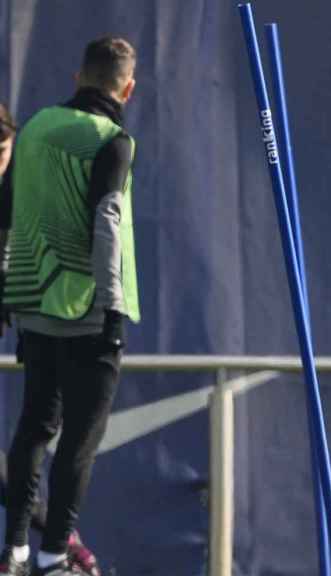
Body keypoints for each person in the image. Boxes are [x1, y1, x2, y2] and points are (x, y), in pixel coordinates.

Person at [0, 36, 140, 576]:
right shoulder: (113, 139)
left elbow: (4, 215)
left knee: (33, 427)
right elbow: (107, 220)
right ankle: (55, 553)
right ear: (128, 87)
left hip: (33, 305)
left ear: (78, 76)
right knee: (79, 439)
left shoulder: (32, 129)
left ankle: (12, 548)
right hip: (87, 312)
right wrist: (111, 309)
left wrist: (5, 288)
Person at [0, 105, 101, 576]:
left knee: (34, 436)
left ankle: (55, 543)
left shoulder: (22, 183)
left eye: (1, 148)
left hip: (44, 329)